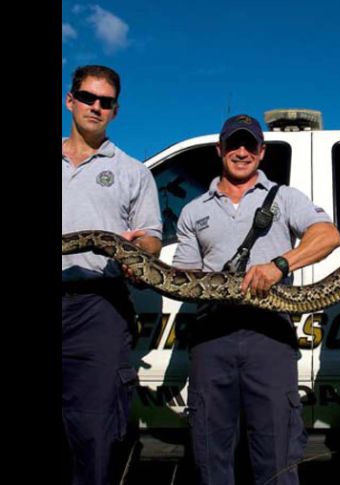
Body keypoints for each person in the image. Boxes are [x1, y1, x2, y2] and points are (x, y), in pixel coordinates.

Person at [172, 113, 340, 485]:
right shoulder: (193, 211)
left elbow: (328, 235)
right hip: (211, 336)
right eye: (234, 144)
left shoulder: (286, 197)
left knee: (276, 455)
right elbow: (185, 278)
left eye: (250, 144)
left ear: (262, 152)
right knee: (210, 454)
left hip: (269, 336)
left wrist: (281, 264)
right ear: (220, 150)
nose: (242, 151)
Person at [62, 65, 163, 484]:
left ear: (115, 111)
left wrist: (137, 253)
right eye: (88, 98)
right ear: (70, 100)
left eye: (106, 103)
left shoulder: (132, 171)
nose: (96, 107)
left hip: (98, 304)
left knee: (94, 430)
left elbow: (152, 239)